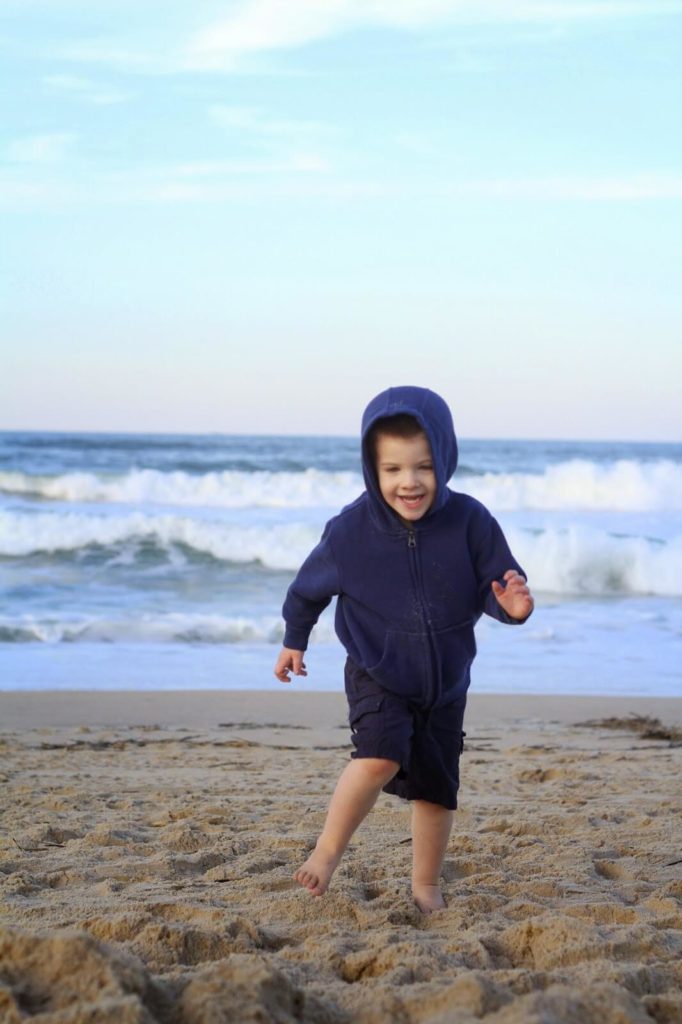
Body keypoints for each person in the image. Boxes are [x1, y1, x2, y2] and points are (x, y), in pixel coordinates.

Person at [273, 386, 534, 913]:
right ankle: (326, 852)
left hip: (445, 682)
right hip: (377, 669)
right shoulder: (350, 531)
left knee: (437, 792)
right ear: (373, 470)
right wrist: (293, 640)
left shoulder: (471, 522)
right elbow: (308, 588)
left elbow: (495, 585)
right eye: (392, 470)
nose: (408, 482)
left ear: (446, 458)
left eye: (423, 466)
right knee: (378, 758)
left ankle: (425, 885)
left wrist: (513, 607)